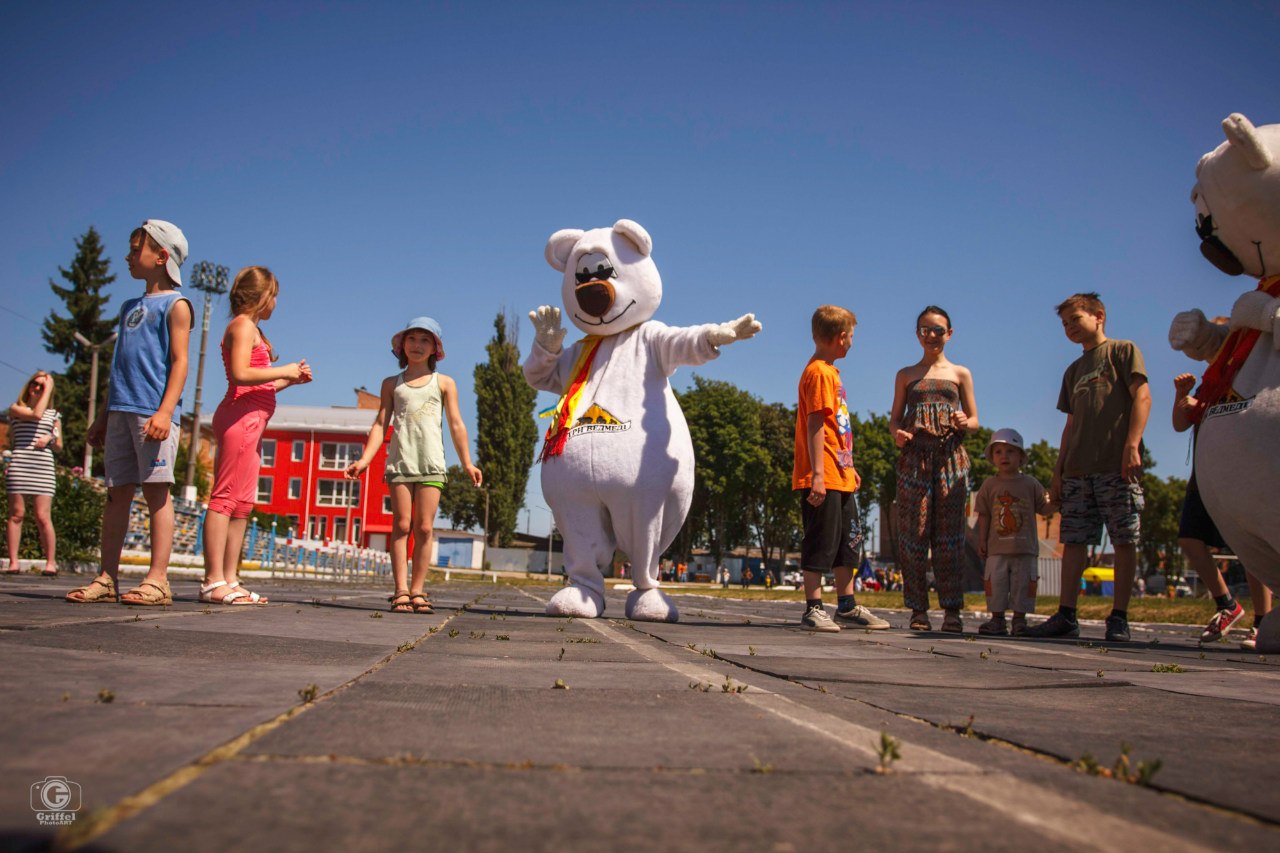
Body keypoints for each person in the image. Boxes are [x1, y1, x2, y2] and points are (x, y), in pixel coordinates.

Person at [67, 220, 192, 605]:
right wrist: (105, 414)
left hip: (152, 414)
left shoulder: (176, 305)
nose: (128, 256)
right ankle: (107, 577)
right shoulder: (129, 307)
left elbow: (180, 362)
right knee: (115, 494)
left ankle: (157, 580)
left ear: (161, 256)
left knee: (157, 494)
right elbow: (120, 365)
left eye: (136, 248)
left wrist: (165, 411)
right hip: (121, 412)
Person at [1026, 293, 1150, 641]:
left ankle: (1119, 617)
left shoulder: (1123, 351)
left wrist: (1132, 444)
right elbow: (1070, 425)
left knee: (1124, 538)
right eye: (1064, 323)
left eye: (1075, 319)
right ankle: (1066, 614)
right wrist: (1058, 470)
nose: (1069, 327)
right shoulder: (1073, 371)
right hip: (1078, 469)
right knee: (1074, 540)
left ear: (1099, 316)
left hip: (1116, 465)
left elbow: (1142, 396)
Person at [346, 317, 482, 613]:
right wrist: (365, 460)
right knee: (402, 524)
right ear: (402, 345)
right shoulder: (392, 385)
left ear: (435, 348)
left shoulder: (444, 383)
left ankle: (418, 590)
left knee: (423, 527)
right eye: (412, 339)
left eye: (425, 340)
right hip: (400, 463)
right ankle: (400, 591)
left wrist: (468, 463)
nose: (417, 345)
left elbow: (457, 424)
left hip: (432, 464)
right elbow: (381, 424)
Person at [198, 267, 312, 605]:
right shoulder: (243, 326)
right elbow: (240, 374)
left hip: (253, 422)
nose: (276, 303)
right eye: (273, 295)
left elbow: (258, 383)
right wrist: (285, 369)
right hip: (239, 420)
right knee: (223, 500)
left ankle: (230, 579)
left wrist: (289, 381)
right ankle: (212, 580)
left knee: (242, 504)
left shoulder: (253, 330)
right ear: (260, 296)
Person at [794, 305, 890, 632]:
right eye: (851, 338)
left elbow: (838, 431)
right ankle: (814, 607)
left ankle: (846, 606)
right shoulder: (819, 372)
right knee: (821, 540)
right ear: (841, 337)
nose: (852, 344)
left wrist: (849, 467)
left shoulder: (831, 372)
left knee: (848, 542)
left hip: (841, 475)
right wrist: (818, 475)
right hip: (823, 476)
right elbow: (816, 424)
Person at [889, 306, 980, 633]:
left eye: (938, 330)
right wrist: (898, 434)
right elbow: (894, 420)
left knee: (950, 537)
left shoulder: (960, 374)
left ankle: (952, 611)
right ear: (917, 334)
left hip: (951, 459)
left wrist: (963, 421)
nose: (931, 336)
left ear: (949, 334)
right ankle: (918, 610)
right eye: (925, 330)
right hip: (915, 459)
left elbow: (974, 421)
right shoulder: (906, 374)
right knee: (913, 535)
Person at [1171, 372, 1273, 648]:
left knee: (1249, 546)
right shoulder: (1210, 383)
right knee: (1189, 540)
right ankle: (1227, 604)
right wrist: (1182, 396)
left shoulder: (1255, 377)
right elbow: (1180, 424)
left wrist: (1203, 409)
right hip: (1205, 477)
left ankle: (1262, 621)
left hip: (1243, 476)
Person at [974, 429, 1054, 636]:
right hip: (997, 548)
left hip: (1024, 547)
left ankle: (1020, 621)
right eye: (998, 451)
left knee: (1023, 585)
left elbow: (1044, 508)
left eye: (1010, 451)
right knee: (996, 584)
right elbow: (983, 514)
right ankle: (997, 620)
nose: (1004, 456)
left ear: (1021, 457)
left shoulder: (1031, 484)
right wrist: (982, 540)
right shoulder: (989, 485)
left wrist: (1056, 498)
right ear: (992, 457)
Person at [5, 372, 62, 576]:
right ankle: (13, 562)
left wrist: (50, 438)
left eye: (42, 386)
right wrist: (48, 387)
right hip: (20, 464)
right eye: (34, 384)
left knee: (42, 516)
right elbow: (36, 415)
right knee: (16, 514)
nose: (37, 388)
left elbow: (59, 446)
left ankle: (51, 562)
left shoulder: (54, 415)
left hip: (43, 468)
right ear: (28, 386)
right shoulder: (16, 408)